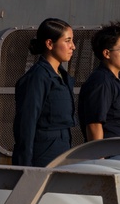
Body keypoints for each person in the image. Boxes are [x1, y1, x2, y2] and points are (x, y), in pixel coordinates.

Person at [12, 18, 76, 166]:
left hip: (61, 154)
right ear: (49, 44)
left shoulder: (62, 77)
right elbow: (26, 124)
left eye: (72, 41)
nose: (73, 46)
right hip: (42, 158)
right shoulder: (38, 77)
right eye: (67, 41)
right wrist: (24, 167)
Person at [78, 21, 120, 140]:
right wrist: (99, 157)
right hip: (111, 154)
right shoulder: (101, 81)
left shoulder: (119, 81)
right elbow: (94, 124)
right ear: (107, 53)